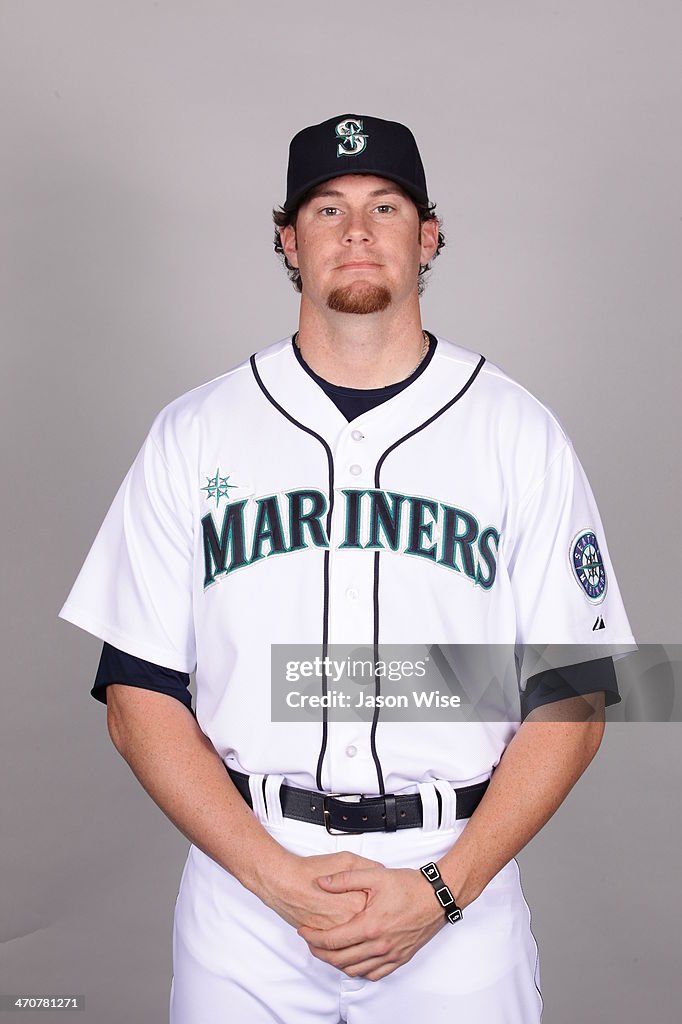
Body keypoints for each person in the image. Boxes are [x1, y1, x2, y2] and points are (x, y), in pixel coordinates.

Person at [59, 113, 636, 1023]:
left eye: (385, 206)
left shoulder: (517, 433)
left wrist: (444, 890)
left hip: (456, 880)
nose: (357, 231)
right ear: (288, 239)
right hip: (246, 886)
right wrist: (274, 878)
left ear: (428, 235)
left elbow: (573, 695)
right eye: (326, 209)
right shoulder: (195, 432)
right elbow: (138, 695)